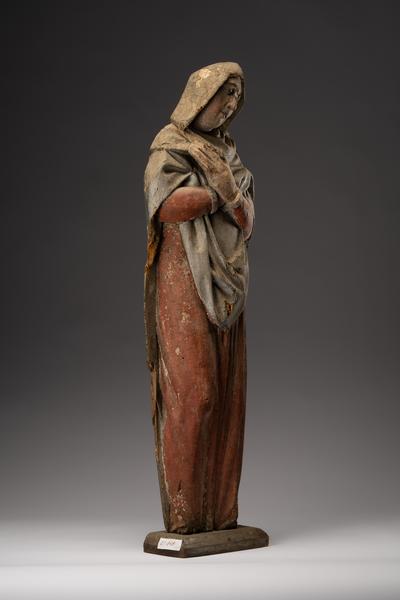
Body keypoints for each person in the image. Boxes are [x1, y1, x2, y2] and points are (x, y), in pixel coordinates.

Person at [144, 62, 255, 534]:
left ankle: (221, 513)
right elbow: (166, 205)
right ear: (199, 97)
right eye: (224, 94)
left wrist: (232, 198)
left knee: (228, 397)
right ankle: (186, 515)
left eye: (236, 96)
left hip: (227, 282)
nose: (230, 104)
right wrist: (221, 196)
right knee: (196, 393)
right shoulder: (172, 145)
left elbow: (247, 218)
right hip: (184, 278)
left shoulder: (226, 151)